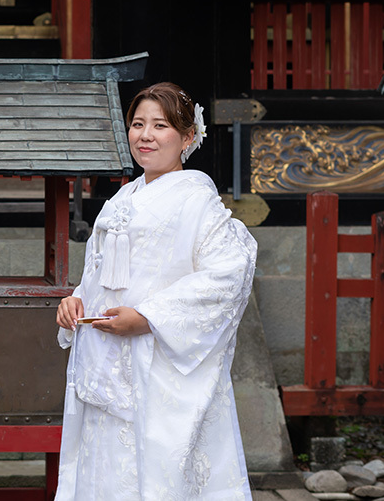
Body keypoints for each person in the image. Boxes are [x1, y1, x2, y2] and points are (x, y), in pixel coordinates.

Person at [54, 82, 257, 501]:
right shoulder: (121, 198)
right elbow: (98, 273)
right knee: (104, 468)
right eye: (138, 124)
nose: (145, 135)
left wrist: (148, 317)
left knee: (154, 474)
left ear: (187, 137)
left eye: (160, 126)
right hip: (106, 358)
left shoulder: (198, 202)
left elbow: (229, 273)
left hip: (157, 364)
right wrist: (76, 300)